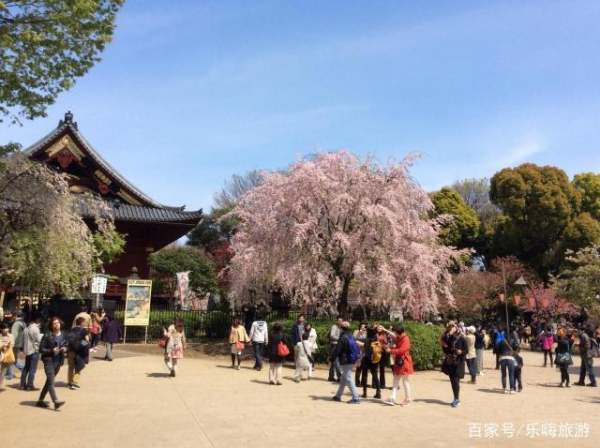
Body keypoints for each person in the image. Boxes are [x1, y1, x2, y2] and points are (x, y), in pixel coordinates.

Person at [36, 317, 67, 410]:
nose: (56, 324)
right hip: (48, 361)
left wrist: (65, 348)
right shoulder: (47, 335)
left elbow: (66, 344)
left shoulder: (64, 335)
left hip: (58, 362)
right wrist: (51, 350)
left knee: (48, 382)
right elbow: (41, 349)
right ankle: (56, 401)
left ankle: (40, 401)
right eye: (54, 323)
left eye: (58, 323)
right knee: (51, 381)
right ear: (51, 325)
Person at [332, 321, 360, 404]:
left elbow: (338, 349)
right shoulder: (351, 336)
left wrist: (332, 358)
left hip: (346, 360)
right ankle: (338, 395)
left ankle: (356, 398)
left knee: (348, 378)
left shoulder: (343, 337)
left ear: (341, 328)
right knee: (344, 379)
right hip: (352, 359)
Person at [386, 325, 414, 406]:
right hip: (400, 362)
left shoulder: (405, 339)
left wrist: (391, 350)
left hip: (404, 362)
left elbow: (402, 350)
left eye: (395, 332)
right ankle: (393, 397)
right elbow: (393, 335)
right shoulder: (400, 337)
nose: (394, 334)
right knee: (396, 380)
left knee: (405, 381)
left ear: (398, 332)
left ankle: (408, 399)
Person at [440, 322, 466, 408]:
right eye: (451, 329)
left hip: (459, 363)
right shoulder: (450, 338)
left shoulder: (462, 339)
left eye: (454, 328)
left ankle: (457, 399)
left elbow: (466, 350)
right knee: (453, 381)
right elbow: (444, 344)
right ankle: (455, 398)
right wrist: (444, 345)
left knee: (455, 381)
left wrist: (461, 352)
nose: (453, 330)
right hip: (451, 362)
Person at [20, 314, 42, 391]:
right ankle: (30, 385)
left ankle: (22, 385)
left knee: (26, 368)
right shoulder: (35, 329)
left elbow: (22, 341)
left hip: (27, 351)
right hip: (34, 350)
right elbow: (39, 340)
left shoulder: (26, 329)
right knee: (32, 369)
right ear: (37, 321)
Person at [67, 316, 90, 389]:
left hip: (71, 351)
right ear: (82, 323)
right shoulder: (84, 330)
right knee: (78, 366)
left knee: (71, 367)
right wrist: (81, 345)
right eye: (84, 322)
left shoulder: (71, 330)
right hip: (79, 352)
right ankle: (75, 382)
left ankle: (70, 382)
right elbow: (87, 341)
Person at [360, 326, 381, 399]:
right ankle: (378, 392)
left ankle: (365, 393)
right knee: (375, 376)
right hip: (375, 359)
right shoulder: (376, 339)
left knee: (365, 375)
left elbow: (365, 349)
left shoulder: (367, 339)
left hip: (367, 359)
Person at [8, 311, 26, 380]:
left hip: (14, 344)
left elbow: (14, 335)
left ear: (15, 316)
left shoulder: (16, 324)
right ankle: (23, 370)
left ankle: (10, 375)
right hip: (19, 344)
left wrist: (10, 344)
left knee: (11, 359)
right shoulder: (23, 323)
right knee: (13, 359)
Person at [0, 323, 15, 390]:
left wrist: (8, 346)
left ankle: (0, 385)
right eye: (4, 328)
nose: (6, 330)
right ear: (1, 329)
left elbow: (12, 344)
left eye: (7, 328)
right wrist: (2, 346)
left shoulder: (11, 336)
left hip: (6, 356)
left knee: (2, 371)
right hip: (0, 354)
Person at [328, 317, 343, 382]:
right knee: (336, 361)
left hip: (338, 345)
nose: (340, 322)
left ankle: (331, 377)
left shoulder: (341, 328)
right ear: (337, 321)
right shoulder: (334, 327)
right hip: (334, 345)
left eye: (341, 321)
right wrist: (340, 338)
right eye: (339, 321)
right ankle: (339, 377)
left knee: (334, 362)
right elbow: (332, 335)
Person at [353, 322, 368, 387]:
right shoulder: (356, 331)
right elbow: (353, 339)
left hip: (365, 351)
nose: (363, 327)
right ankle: (357, 382)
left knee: (365, 367)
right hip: (358, 351)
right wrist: (359, 333)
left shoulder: (367, 333)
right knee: (358, 367)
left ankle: (363, 382)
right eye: (362, 326)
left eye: (364, 326)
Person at [376, 324, 391, 388]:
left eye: (381, 327)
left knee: (382, 368)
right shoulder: (375, 334)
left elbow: (390, 341)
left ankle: (382, 384)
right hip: (376, 352)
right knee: (375, 368)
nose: (379, 328)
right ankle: (375, 383)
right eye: (378, 327)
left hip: (383, 353)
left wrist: (387, 346)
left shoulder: (386, 334)